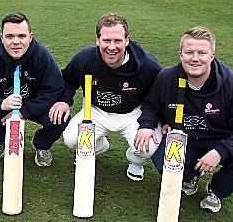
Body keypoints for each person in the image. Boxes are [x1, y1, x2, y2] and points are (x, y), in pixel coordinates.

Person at [135, 26, 233, 213]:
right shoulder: (167, 78)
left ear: (212, 55)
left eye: (202, 53)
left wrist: (220, 151)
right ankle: (190, 176)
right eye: (189, 52)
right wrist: (148, 125)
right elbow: (150, 105)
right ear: (181, 54)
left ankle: (216, 190)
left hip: (220, 139)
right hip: (185, 138)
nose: (195, 58)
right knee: (161, 157)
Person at [50, 13, 162, 180]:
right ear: (98, 40)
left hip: (133, 113)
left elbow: (156, 99)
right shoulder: (85, 58)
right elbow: (67, 80)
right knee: (72, 139)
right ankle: (98, 146)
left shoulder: (148, 65)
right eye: (106, 40)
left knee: (149, 147)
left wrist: (147, 124)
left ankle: (135, 162)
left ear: (127, 40)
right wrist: (64, 100)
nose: (111, 47)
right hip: (96, 110)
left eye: (117, 40)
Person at [0, 12, 68, 167]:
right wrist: (2, 104)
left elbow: (54, 90)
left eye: (21, 36)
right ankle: (0, 141)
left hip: (33, 105)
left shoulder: (41, 55)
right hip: (4, 105)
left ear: (30, 37)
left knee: (60, 117)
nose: (16, 42)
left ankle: (41, 145)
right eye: (10, 36)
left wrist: (24, 112)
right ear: (1, 37)